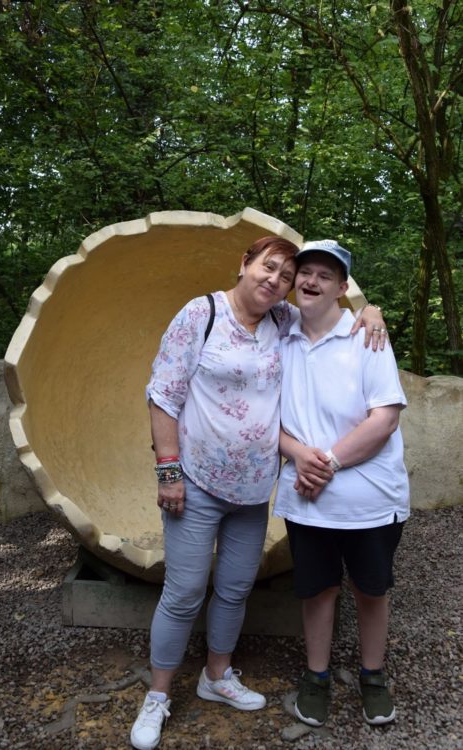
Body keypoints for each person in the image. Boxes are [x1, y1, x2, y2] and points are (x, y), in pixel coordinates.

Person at [130, 236, 387, 750]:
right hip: (195, 482)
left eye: (286, 276)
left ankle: (216, 675)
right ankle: (157, 695)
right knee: (184, 593)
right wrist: (168, 471)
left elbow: (328, 312)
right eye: (268, 267)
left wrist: (370, 310)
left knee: (233, 589)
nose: (276, 280)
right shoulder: (201, 313)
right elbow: (163, 394)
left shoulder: (282, 321)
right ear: (244, 264)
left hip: (251, 491)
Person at [274, 239, 409, 729]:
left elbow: (384, 420)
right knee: (318, 590)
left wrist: (326, 463)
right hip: (307, 501)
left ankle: (373, 675)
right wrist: (296, 454)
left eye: (325, 275)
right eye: (305, 272)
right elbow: (264, 418)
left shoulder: (366, 336)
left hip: (369, 499)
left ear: (341, 288)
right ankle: (317, 677)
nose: (311, 281)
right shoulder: (279, 333)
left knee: (371, 589)